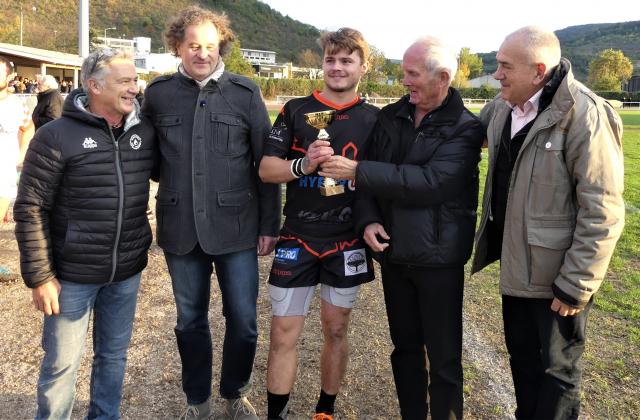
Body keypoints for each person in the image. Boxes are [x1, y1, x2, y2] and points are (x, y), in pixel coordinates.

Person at [321, 36, 484, 419]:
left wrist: (360, 171)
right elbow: (368, 186)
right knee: (405, 349)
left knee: (444, 357)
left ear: (442, 76)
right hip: (394, 253)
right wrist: (368, 219)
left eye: (411, 73)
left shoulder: (465, 127)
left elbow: (433, 183)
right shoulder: (391, 115)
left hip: (438, 259)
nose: (403, 81)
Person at [472, 26, 625, 420]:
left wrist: (576, 284)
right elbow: (465, 134)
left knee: (558, 375)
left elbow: (603, 210)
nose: (497, 74)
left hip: (559, 280)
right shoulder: (505, 105)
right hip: (517, 270)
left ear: (538, 71)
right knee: (523, 364)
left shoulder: (585, 114)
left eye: (505, 66)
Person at [141, 5, 281, 419]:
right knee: (189, 321)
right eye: (192, 45)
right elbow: (148, 162)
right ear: (177, 47)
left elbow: (265, 164)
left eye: (209, 45)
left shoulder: (245, 93)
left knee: (243, 320)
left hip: (237, 227)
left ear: (221, 45)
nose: (201, 53)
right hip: (181, 228)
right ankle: (197, 401)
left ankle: (235, 393)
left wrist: (270, 224)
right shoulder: (159, 93)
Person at [13, 48, 156, 419]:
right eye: (124, 81)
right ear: (94, 86)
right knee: (62, 366)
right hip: (71, 277)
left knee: (113, 357)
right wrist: (40, 276)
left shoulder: (142, 132)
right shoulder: (55, 136)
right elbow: (29, 207)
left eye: (134, 80)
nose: (134, 88)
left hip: (125, 271)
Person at [259, 28, 378, 420]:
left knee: (336, 330)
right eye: (331, 59)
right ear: (321, 63)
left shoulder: (376, 120)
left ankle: (324, 410)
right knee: (283, 334)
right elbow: (266, 169)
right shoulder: (295, 109)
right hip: (298, 238)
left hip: (346, 242)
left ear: (363, 66)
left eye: (347, 60)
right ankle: (277, 414)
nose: (338, 67)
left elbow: (388, 178)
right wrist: (304, 164)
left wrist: (357, 172)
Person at [0, 55, 32, 225]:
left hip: (3, 175)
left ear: (9, 77)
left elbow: (28, 128)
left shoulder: (17, 105)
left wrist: (21, 155)